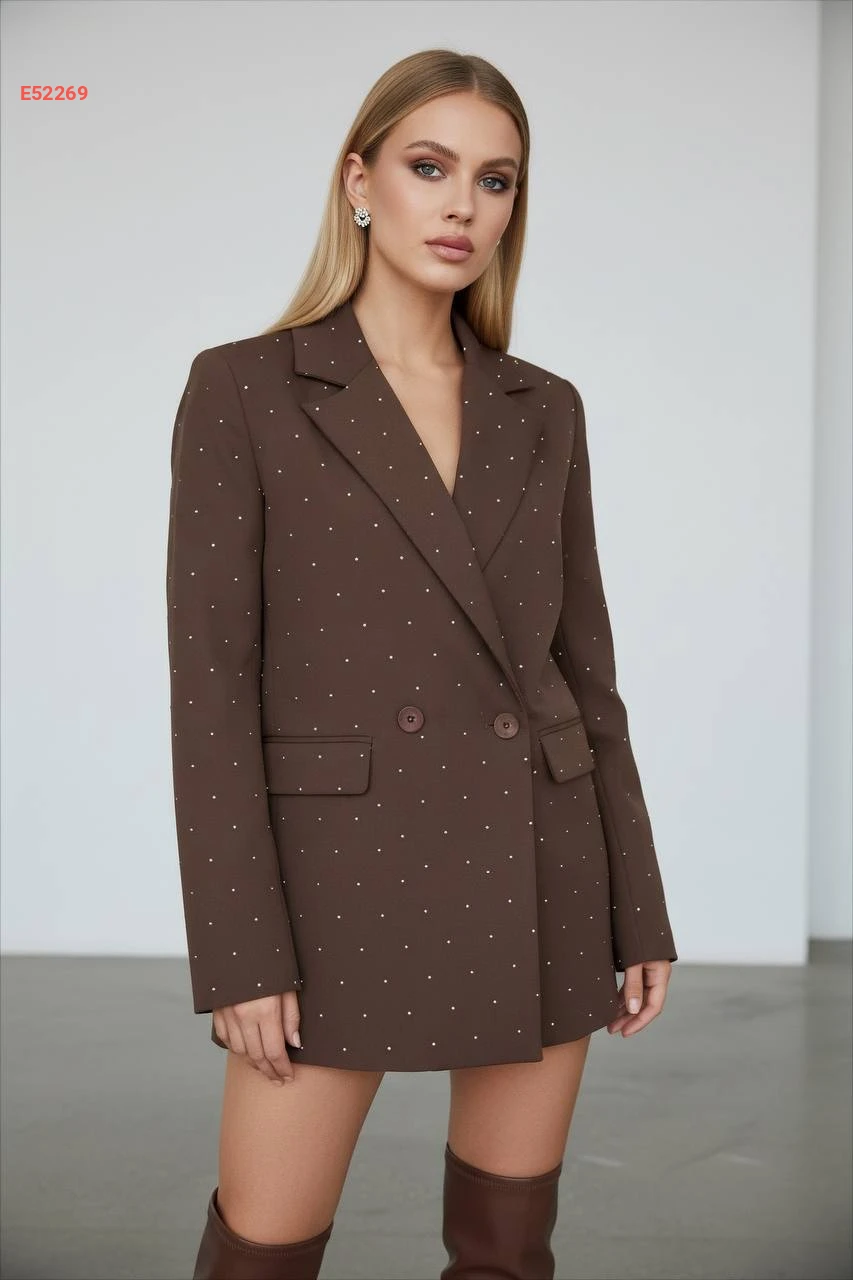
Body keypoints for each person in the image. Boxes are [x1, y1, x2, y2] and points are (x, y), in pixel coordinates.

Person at [166, 47, 678, 1280]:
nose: (463, 206)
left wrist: (637, 898)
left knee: (506, 1252)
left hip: (538, 861)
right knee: (261, 1251)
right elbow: (210, 693)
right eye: (429, 167)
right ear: (360, 182)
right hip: (332, 885)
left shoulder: (543, 406)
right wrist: (239, 951)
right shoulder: (245, 389)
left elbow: (584, 671)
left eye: (494, 181)